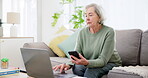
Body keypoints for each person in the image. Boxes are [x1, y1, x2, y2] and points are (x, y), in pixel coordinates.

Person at [53, 3, 122, 78]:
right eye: (86, 15)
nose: (87, 18)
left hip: (110, 62)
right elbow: (77, 53)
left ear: (99, 17)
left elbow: (103, 60)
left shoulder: (109, 32)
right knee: (77, 68)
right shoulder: (82, 32)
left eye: (90, 15)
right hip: (91, 61)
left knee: (91, 72)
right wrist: (68, 64)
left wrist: (86, 63)